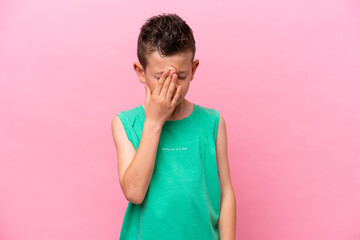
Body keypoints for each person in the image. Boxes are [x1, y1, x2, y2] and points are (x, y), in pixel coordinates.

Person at [111, 13, 236, 240]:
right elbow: (134, 192)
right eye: (161, 77)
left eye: (180, 76)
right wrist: (154, 121)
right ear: (141, 73)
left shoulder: (213, 123)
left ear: (194, 69)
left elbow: (226, 192)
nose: (172, 86)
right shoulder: (125, 124)